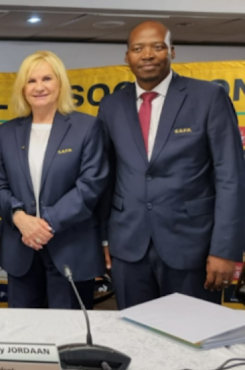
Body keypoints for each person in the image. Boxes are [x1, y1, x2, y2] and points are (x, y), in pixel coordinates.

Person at [97, 21, 245, 308]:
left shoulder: (208, 98)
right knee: (134, 340)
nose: (147, 55)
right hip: (128, 248)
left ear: (172, 52)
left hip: (193, 248)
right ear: (127, 57)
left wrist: (226, 250)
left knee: (193, 341)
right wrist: (103, 239)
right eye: (138, 49)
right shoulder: (111, 106)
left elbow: (231, 177)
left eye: (157, 46)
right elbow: (106, 177)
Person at [0, 51, 108, 309]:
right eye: (31, 81)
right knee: (22, 336)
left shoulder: (87, 127)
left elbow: (90, 186)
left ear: (60, 83)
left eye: (47, 78)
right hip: (21, 250)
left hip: (71, 248)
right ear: (23, 88)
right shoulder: (6, 132)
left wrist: (45, 225)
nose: (39, 87)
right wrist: (20, 218)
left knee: (68, 338)